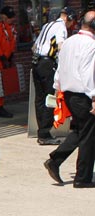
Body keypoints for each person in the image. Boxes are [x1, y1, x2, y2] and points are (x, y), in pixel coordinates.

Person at [43, 11, 95, 188]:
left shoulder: (69, 42)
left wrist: (58, 91)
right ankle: (83, 178)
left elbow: (60, 69)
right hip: (85, 95)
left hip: (70, 94)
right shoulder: (91, 45)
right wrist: (94, 98)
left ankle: (55, 160)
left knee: (80, 131)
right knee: (89, 137)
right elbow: (89, 75)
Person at [31, 7, 76, 145]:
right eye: (71, 21)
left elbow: (34, 46)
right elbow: (61, 46)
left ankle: (41, 131)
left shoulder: (47, 25)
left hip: (36, 62)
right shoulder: (61, 27)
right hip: (47, 64)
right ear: (68, 18)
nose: (71, 25)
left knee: (39, 98)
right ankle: (45, 133)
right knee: (49, 98)